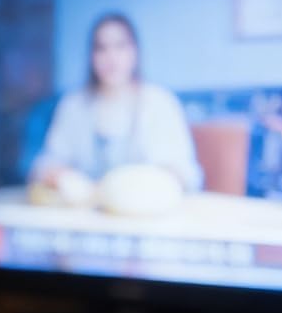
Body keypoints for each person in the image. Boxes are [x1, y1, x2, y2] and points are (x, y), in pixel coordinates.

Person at [29, 12, 203, 193]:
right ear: (91, 57)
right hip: (86, 209)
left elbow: (187, 175)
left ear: (135, 52)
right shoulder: (73, 106)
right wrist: (58, 176)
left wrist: (159, 181)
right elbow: (46, 164)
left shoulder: (160, 103)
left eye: (120, 46)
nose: (111, 57)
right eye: (101, 48)